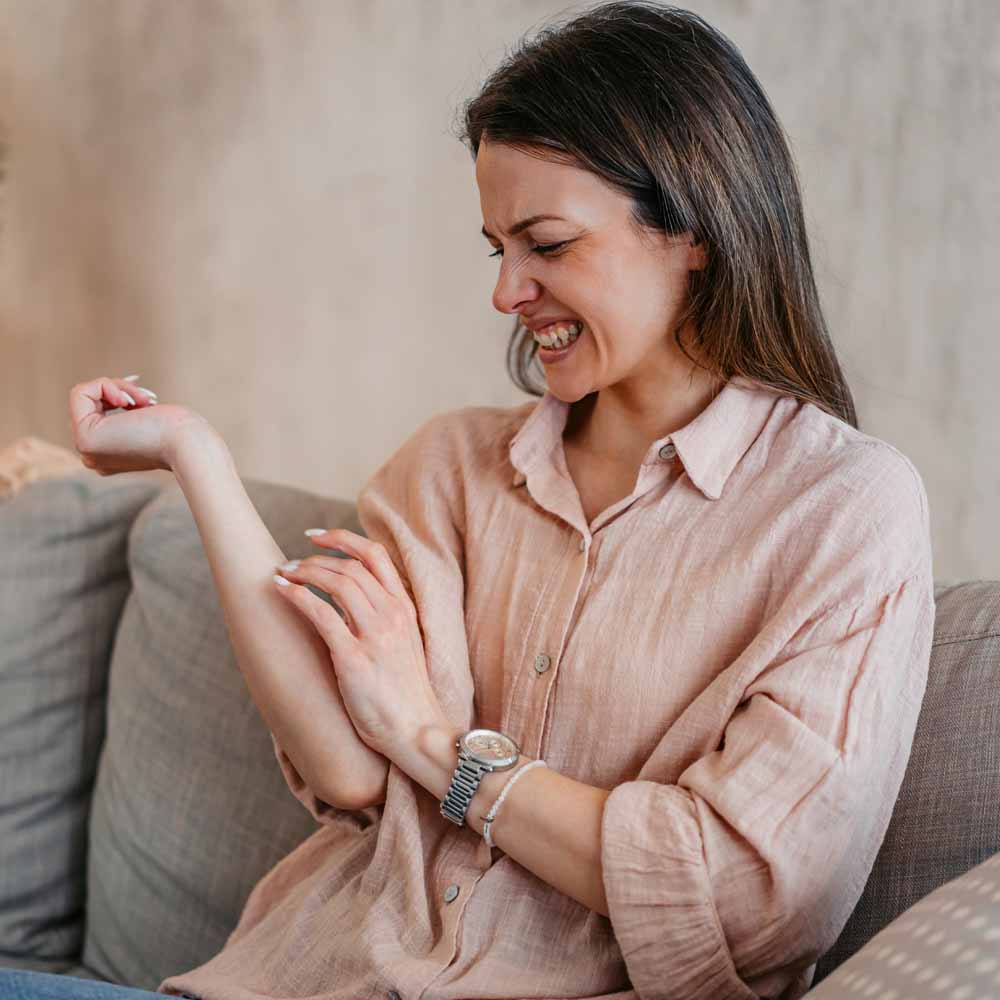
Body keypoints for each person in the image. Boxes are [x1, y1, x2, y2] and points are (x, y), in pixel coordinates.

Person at [4, 2, 936, 999]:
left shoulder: (841, 512)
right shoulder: (450, 468)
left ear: (693, 228)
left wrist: (441, 750)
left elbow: (751, 893)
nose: (506, 291)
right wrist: (195, 456)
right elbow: (351, 772)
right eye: (497, 247)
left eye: (545, 243)